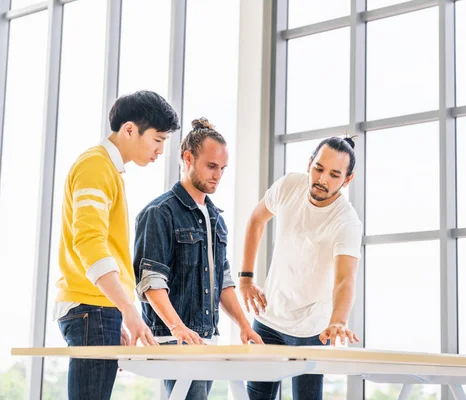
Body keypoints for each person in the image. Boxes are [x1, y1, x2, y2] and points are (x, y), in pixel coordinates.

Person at [54, 90, 180, 400]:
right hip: (91, 305)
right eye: (158, 140)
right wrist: (126, 310)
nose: (160, 150)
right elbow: (90, 242)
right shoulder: (95, 167)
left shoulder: (106, 169)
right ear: (129, 130)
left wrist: (115, 310)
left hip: (97, 307)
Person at [134, 118, 263, 400]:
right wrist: (178, 327)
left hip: (206, 338)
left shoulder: (216, 219)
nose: (218, 175)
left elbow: (223, 281)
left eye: (222, 169)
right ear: (188, 158)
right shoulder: (158, 213)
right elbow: (151, 282)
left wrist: (243, 324)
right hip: (173, 340)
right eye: (211, 166)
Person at [240, 136, 363, 400]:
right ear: (309, 164)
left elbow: (345, 278)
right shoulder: (289, 186)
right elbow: (256, 220)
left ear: (347, 180)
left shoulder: (346, 221)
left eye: (334, 174)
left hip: (312, 330)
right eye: (318, 168)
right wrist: (246, 278)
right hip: (268, 320)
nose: (322, 179)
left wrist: (338, 321)